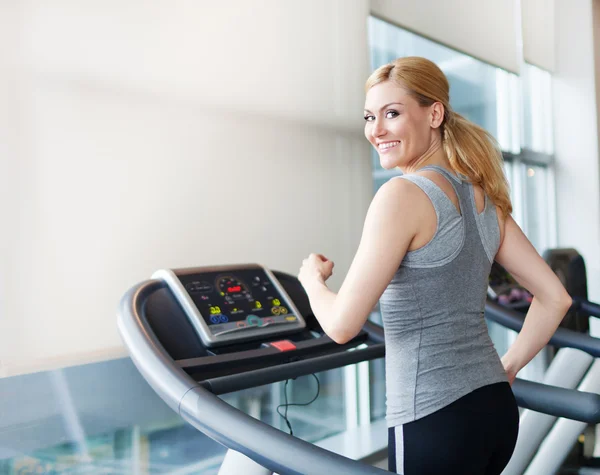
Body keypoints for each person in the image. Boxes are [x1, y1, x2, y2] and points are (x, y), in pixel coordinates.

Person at [297, 56, 572, 475]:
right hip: (495, 410)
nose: (377, 130)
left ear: (435, 113)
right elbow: (555, 297)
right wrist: (509, 367)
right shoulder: (482, 198)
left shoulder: (400, 196)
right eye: (370, 117)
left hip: (433, 419)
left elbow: (341, 326)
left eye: (392, 113)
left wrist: (311, 281)